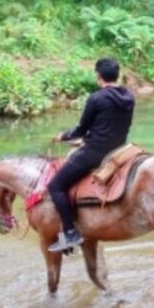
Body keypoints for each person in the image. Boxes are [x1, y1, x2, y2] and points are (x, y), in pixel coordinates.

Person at [47, 57, 135, 251]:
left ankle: (70, 233)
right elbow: (113, 125)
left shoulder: (96, 98)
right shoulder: (129, 96)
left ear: (98, 76)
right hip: (119, 149)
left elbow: (80, 129)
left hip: (95, 152)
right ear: (117, 75)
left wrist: (63, 136)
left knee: (56, 186)